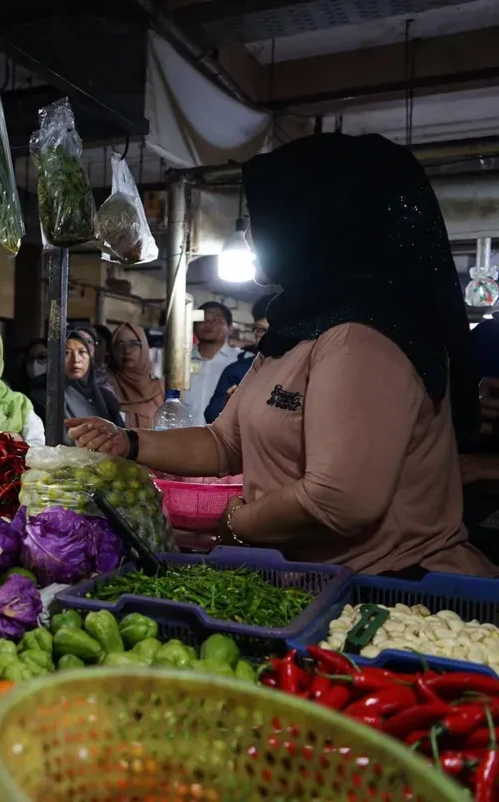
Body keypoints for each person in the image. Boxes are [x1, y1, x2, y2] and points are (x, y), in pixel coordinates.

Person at [67, 133, 496, 577]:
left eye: (261, 218)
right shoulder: (301, 329)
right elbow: (224, 442)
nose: (250, 235)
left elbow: (339, 500)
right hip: (319, 584)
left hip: (391, 596)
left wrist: (234, 523)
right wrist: (130, 442)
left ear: (313, 222)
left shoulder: (362, 337)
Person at [204, 293, 275, 423]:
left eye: (274, 331)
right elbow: (211, 414)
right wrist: (228, 404)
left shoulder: (305, 370)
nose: (267, 338)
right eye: (260, 330)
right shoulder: (237, 371)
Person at [181, 301, 241, 424]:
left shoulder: (242, 362)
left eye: (216, 320)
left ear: (230, 328)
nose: (208, 324)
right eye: (202, 320)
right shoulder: (180, 360)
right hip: (182, 437)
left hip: (223, 439)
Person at [109, 322, 165, 428]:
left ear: (144, 347)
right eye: (120, 345)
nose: (126, 351)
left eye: (133, 344)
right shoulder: (106, 387)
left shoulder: (162, 389)